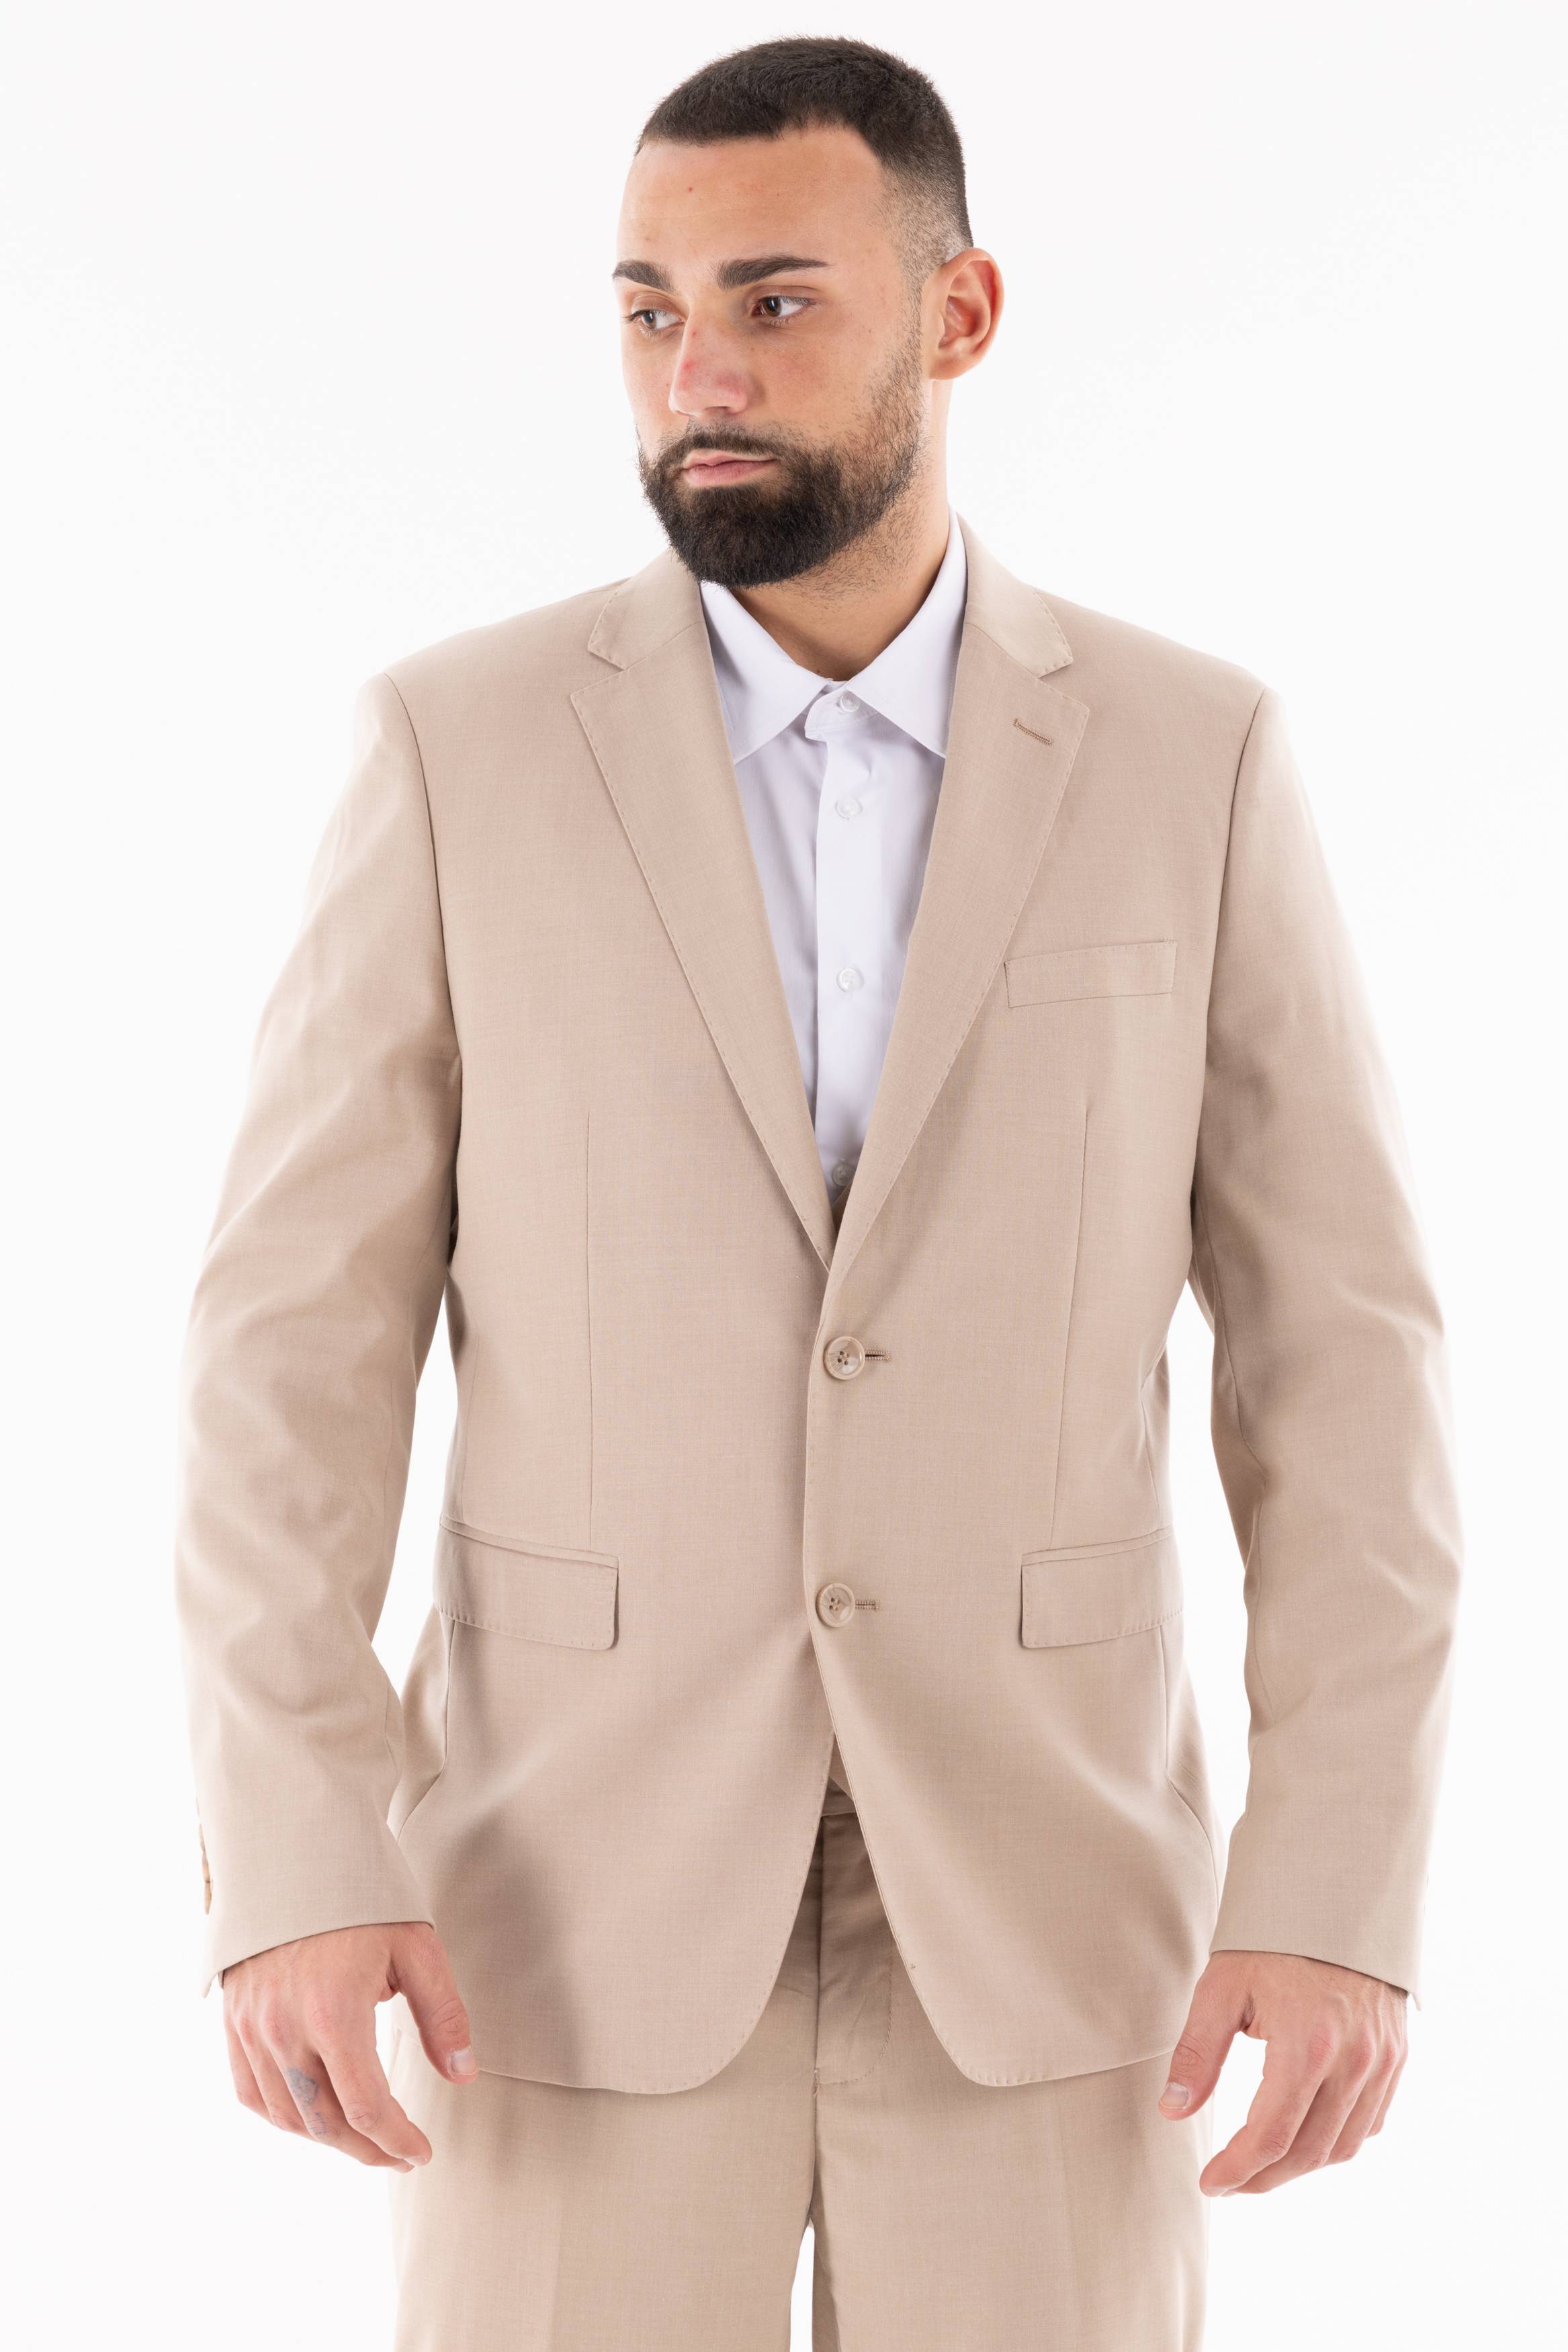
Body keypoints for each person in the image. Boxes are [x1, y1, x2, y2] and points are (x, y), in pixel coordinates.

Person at [175, 35, 1462, 2351]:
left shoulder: (1195, 755)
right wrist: (292, 1849)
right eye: (649, 310)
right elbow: (290, 1353)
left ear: (960, 313)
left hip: (1054, 1919)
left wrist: (1336, 1882)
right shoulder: (456, 750)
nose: (700, 374)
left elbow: (1346, 1367)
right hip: (557, 1914)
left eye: (774, 301)